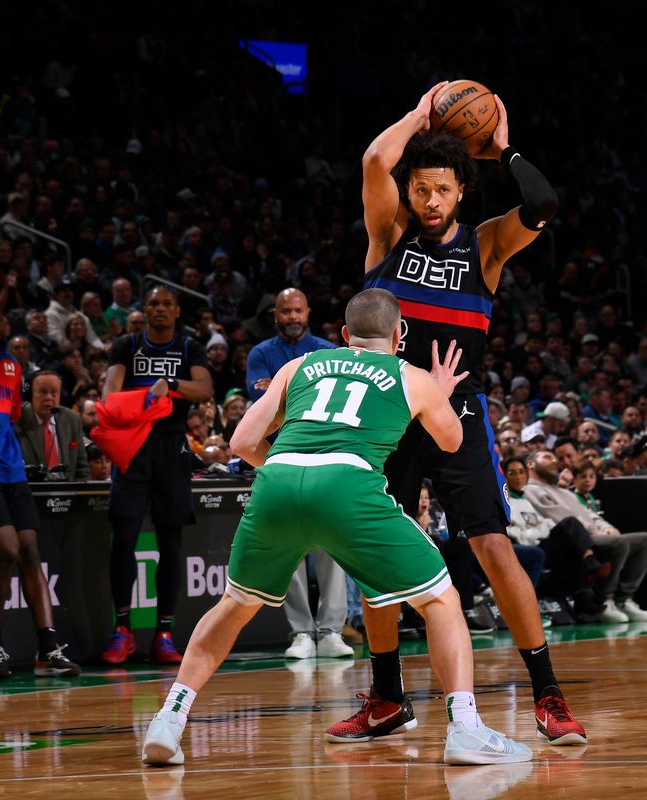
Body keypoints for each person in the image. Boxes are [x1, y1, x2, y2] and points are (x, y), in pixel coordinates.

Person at [141, 288, 532, 767]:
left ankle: (169, 718)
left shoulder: (299, 365)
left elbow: (243, 441)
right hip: (350, 484)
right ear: (399, 334)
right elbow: (450, 442)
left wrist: (292, 468)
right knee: (440, 599)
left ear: (344, 336)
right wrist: (439, 393)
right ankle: (466, 728)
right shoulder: (410, 375)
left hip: (278, 479)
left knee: (234, 605)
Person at [336, 82, 584, 746]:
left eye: (442, 190)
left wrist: (503, 148)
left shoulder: (485, 246)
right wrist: (420, 114)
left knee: (494, 546)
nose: (430, 200)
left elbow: (544, 202)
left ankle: (548, 694)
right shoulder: (386, 235)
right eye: (420, 189)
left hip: (459, 410)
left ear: (459, 192)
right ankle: (387, 697)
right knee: (376, 555)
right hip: (389, 412)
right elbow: (371, 164)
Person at [0, 299, 80, 677]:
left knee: (30, 550)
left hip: (11, 470)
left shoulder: (13, 367)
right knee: (8, 549)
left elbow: (10, 418)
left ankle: (48, 648)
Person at [99, 286, 213, 665]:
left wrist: (171, 386)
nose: (160, 309)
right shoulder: (126, 346)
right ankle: (123, 630)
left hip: (171, 449)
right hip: (133, 446)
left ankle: (164, 632)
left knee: (171, 542)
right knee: (124, 537)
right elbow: (110, 392)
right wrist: (144, 401)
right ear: (144, 309)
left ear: (177, 310)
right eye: (153, 303)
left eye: (167, 304)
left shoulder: (188, 347)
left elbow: (204, 388)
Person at [246, 287, 353, 659]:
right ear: (275, 315)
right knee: (290, 550)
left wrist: (281, 389)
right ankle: (302, 633)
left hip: (326, 454)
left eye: (298, 311)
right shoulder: (260, 353)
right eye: (285, 312)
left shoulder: (329, 349)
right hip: (281, 456)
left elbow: (334, 400)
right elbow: (261, 401)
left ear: (308, 312)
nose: (292, 317)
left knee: (332, 545)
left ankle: (331, 630)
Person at [525, 449, 647, 623]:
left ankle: (623, 599)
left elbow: (589, 513)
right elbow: (561, 518)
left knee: (646, 541)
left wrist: (607, 527)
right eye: (548, 457)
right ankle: (605, 600)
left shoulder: (565, 492)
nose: (554, 461)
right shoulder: (530, 489)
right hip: (571, 540)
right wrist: (597, 531)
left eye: (555, 458)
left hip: (592, 534)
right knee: (617, 543)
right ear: (531, 464)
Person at [15, 370, 90, 480]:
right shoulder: (17, 420)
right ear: (30, 395)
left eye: (54, 393)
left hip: (66, 493)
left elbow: (82, 469)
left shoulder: (72, 420)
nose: (49, 398)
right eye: (43, 392)